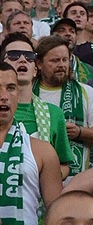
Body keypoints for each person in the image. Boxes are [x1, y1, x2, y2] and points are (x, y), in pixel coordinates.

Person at [0, 63, 63, 225]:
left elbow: (56, 216)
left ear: (19, 94)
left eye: (10, 88)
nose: (4, 96)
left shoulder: (43, 151)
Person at [34, 35, 93, 176]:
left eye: (65, 60)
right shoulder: (28, 94)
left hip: (75, 182)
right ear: (39, 64)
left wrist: (79, 132)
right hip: (33, 179)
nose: (62, 65)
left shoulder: (85, 92)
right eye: (55, 61)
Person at [1, 32, 72, 179]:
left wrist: (43, 176)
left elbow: (65, 164)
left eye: (29, 56)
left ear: (35, 69)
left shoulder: (53, 114)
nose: (22, 59)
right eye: (14, 55)